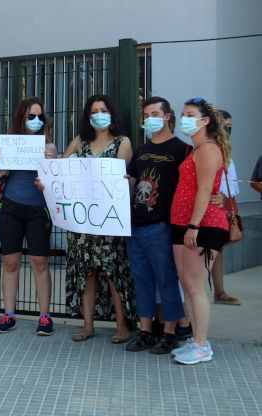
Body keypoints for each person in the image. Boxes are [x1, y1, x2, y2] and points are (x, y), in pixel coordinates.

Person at [61, 94, 136, 343]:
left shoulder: (122, 142)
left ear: (111, 114)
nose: (99, 115)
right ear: (87, 116)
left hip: (109, 221)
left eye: (103, 110)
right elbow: (61, 172)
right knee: (86, 273)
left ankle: (122, 325)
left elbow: (121, 178)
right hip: (81, 222)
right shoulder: (79, 142)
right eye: (94, 111)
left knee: (113, 273)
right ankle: (87, 325)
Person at [0, 97, 58, 335]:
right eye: (30, 116)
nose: (36, 120)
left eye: (40, 116)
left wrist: (50, 169)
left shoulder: (49, 147)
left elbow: (55, 181)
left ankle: (45, 316)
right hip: (11, 208)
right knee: (10, 263)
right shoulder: (6, 143)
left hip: (38, 209)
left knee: (39, 262)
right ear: (20, 118)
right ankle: (8, 314)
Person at [124, 97, 191, 354]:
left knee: (166, 280)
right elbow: (130, 182)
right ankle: (145, 331)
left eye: (155, 113)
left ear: (167, 116)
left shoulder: (182, 150)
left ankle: (171, 332)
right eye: (146, 114)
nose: (149, 118)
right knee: (141, 280)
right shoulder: (141, 150)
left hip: (162, 226)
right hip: (136, 225)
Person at [169, 98, 230, 365]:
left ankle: (202, 346)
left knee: (195, 286)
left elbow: (205, 190)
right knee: (187, 283)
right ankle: (195, 340)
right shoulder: (193, 150)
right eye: (182, 114)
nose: (184, 119)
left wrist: (194, 225)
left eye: (190, 114)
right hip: (183, 224)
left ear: (205, 121)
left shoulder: (207, 149)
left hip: (203, 225)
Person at [209, 109, 240, 305]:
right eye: (223, 123)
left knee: (218, 248)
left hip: (225, 201)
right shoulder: (207, 147)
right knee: (209, 249)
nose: (227, 128)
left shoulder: (225, 147)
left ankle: (219, 291)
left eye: (230, 124)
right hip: (211, 202)